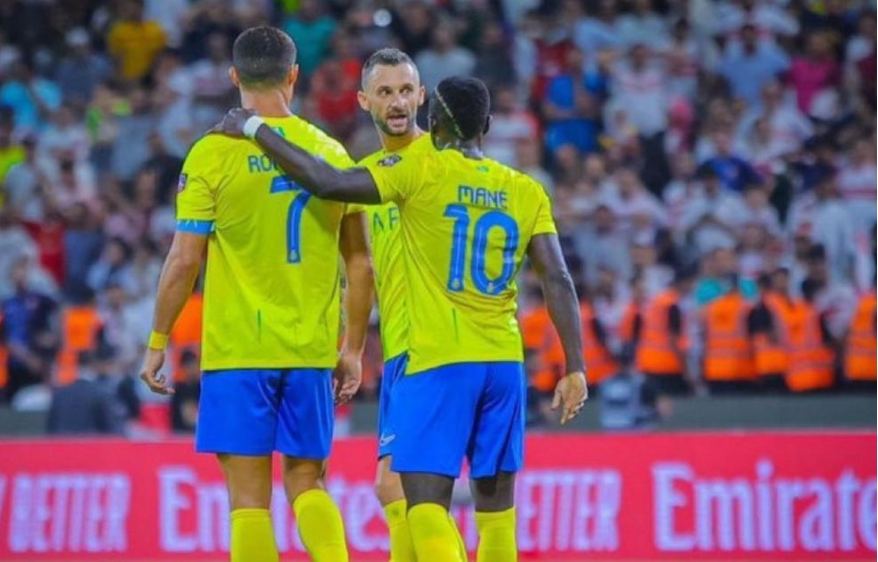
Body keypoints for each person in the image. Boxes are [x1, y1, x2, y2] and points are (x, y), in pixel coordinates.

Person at [213, 75, 588, 562]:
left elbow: (328, 182)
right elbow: (558, 277)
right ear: (488, 125)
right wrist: (575, 367)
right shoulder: (526, 190)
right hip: (502, 363)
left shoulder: (420, 169)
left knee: (425, 506)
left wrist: (255, 128)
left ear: (432, 123)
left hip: (437, 359)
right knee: (497, 515)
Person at [138, 27, 373, 562]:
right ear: (294, 75)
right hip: (310, 349)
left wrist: (158, 341)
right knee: (308, 485)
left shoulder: (212, 153)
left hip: (238, 351)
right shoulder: (330, 152)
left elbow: (184, 260)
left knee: (248, 503)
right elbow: (360, 263)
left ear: (233, 76)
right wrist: (354, 349)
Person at [354, 47, 465, 561]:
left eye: (405, 91)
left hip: (435, 347)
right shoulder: (366, 178)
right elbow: (364, 270)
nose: (397, 102)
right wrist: (354, 349)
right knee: (399, 490)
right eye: (385, 92)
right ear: (364, 101)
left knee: (401, 486)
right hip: (401, 347)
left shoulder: (444, 165)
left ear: (422, 96)